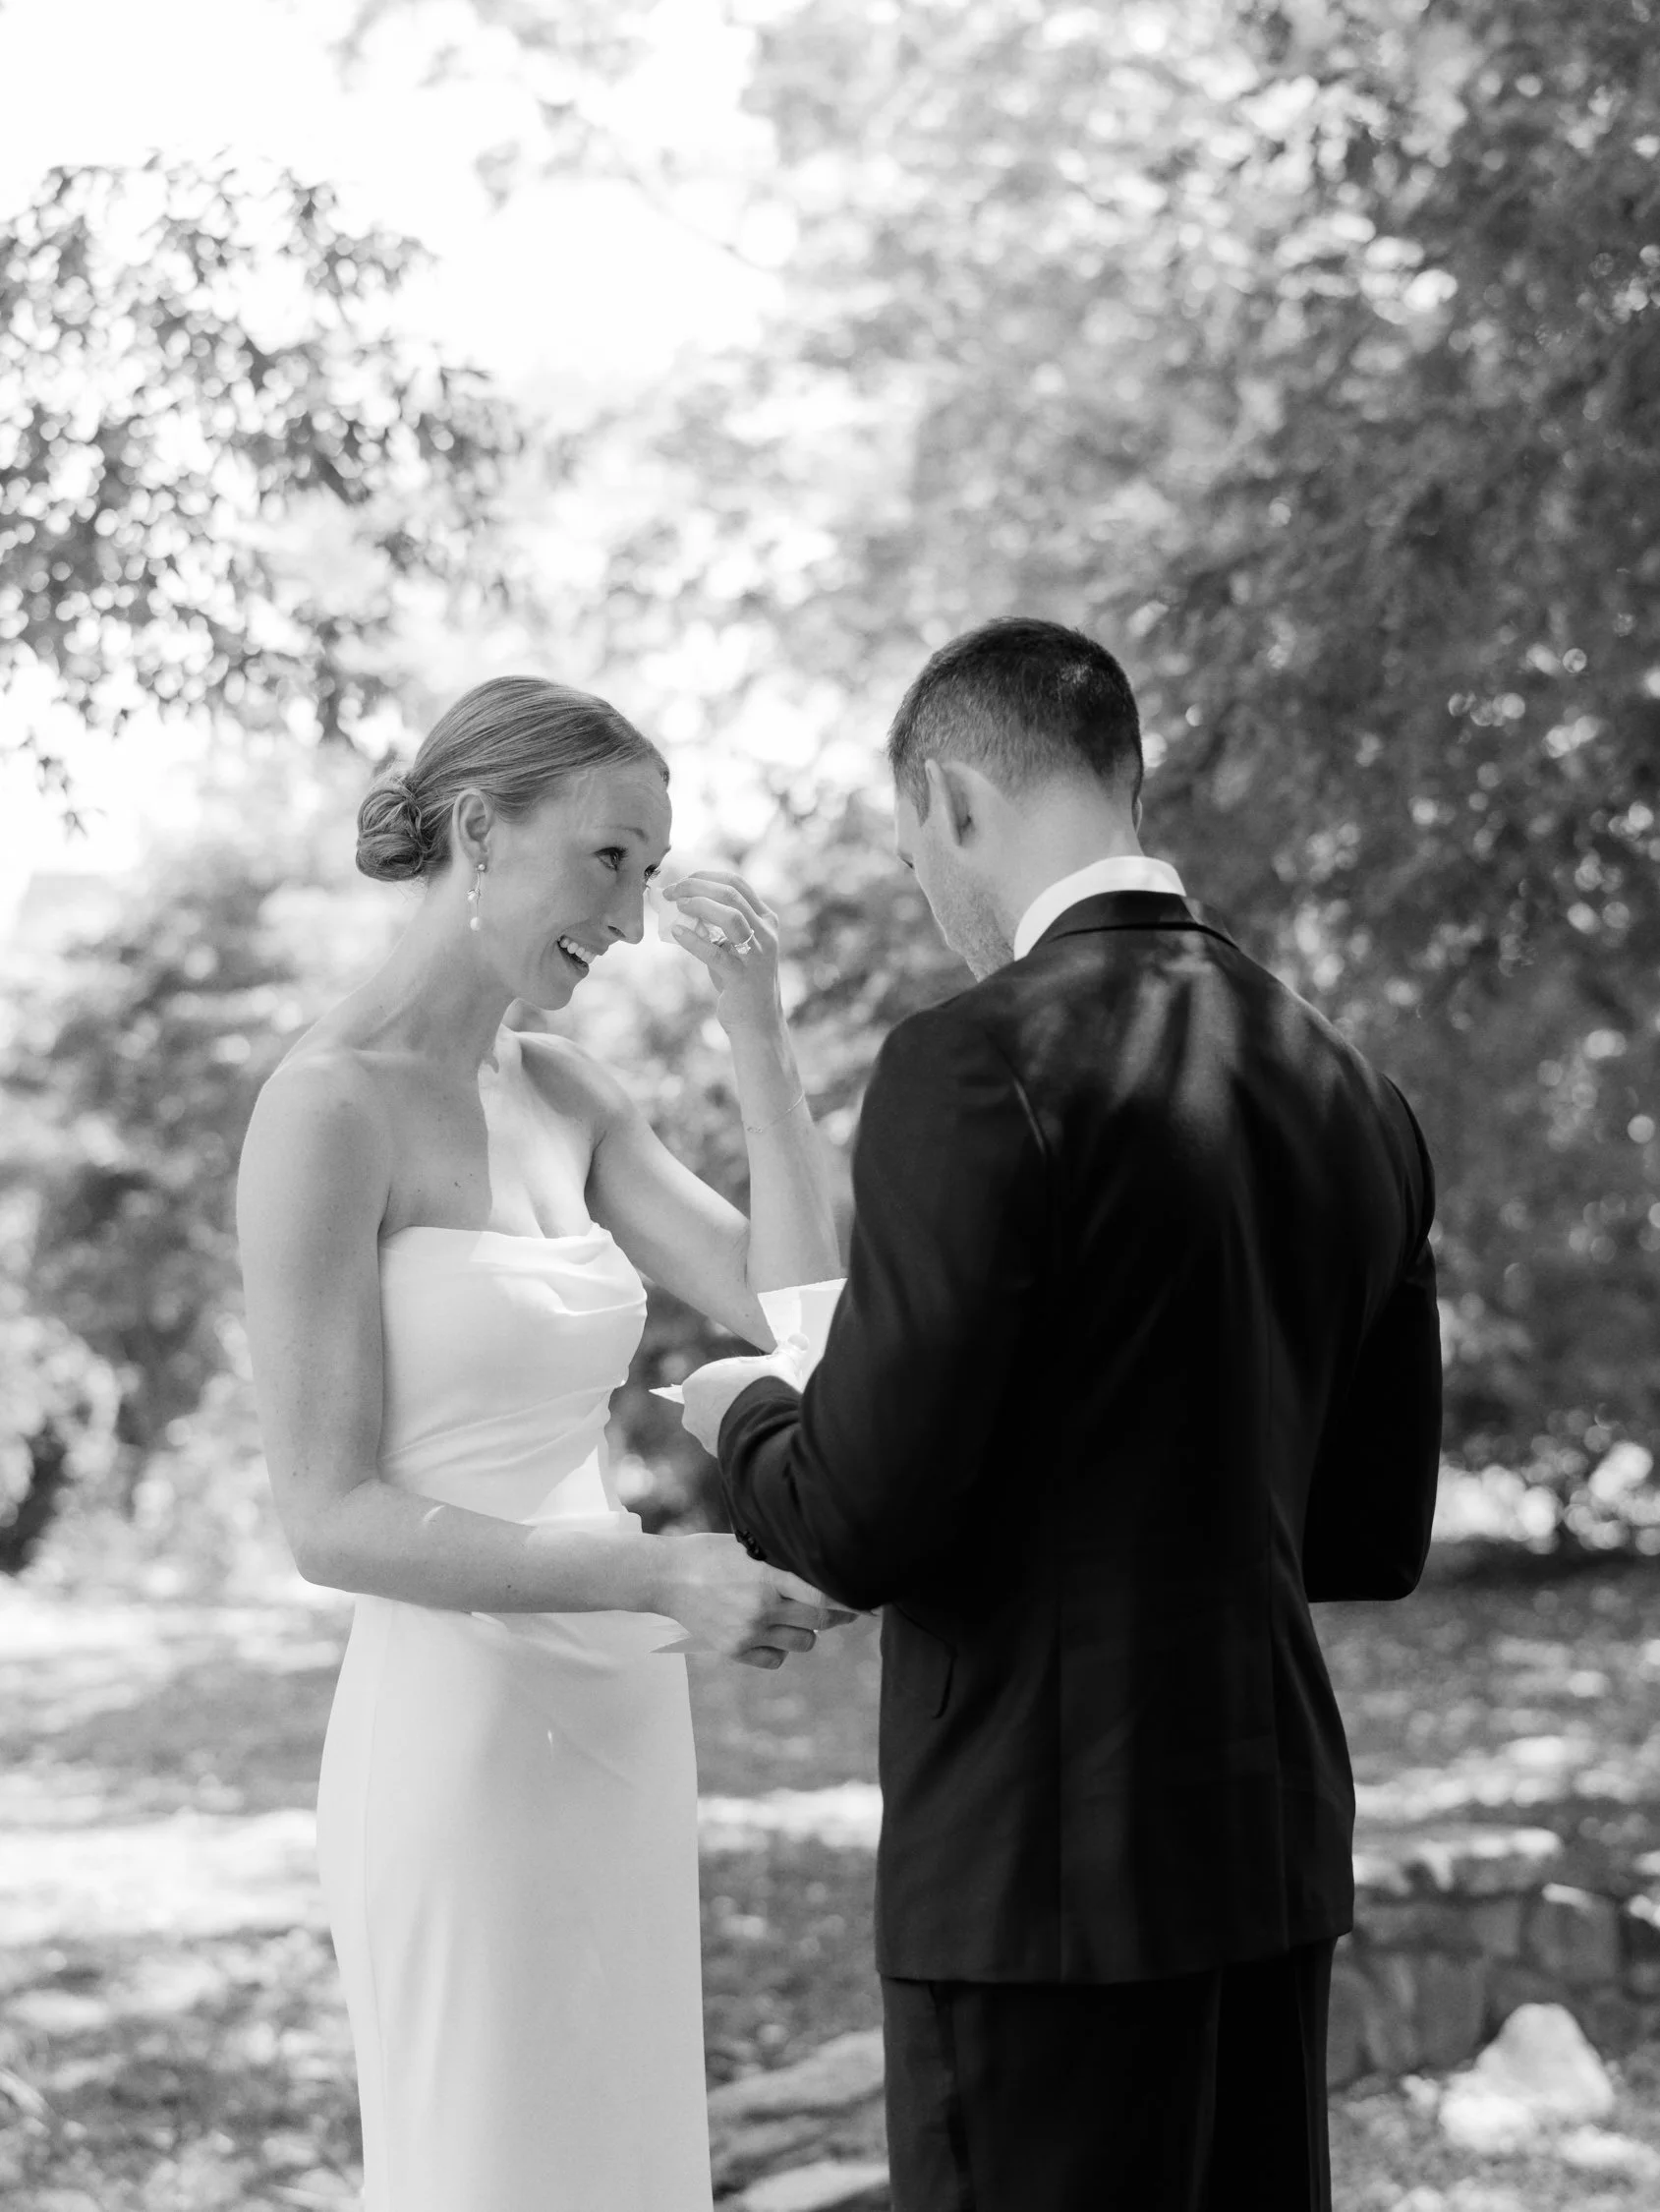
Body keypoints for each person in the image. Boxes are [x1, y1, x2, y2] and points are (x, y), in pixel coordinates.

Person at [681, 616, 1444, 2212]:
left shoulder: (971, 1063)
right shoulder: (1349, 1085)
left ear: (954, 800)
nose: (930, 890)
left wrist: (747, 1408)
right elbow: (1370, 1531)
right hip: (1266, 1852)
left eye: (913, 847)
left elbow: (859, 1514)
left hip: (1039, 1874)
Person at [236, 674, 845, 2212]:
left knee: (629, 2157)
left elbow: (791, 1305)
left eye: (651, 870)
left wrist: (760, 1039)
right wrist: (654, 1577)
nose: (634, 917)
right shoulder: (324, 1109)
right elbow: (327, 1516)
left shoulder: (566, 1087)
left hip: (623, 1715)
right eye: (610, 860)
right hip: (453, 1731)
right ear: (477, 830)